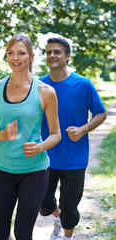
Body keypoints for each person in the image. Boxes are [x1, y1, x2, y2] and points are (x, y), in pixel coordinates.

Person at [0, 34, 61, 240]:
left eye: (21, 53)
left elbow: (56, 134)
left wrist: (40, 147)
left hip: (34, 171)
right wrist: (2, 135)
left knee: (23, 233)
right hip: (3, 169)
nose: (15, 57)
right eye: (10, 53)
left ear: (31, 57)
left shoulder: (45, 91)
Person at [39, 37, 107, 240]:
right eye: (49, 52)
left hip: (74, 158)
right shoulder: (39, 84)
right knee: (42, 203)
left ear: (68, 56)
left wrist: (83, 129)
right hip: (45, 156)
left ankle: (66, 237)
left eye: (57, 52)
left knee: (70, 206)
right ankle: (57, 220)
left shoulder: (83, 84)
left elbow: (100, 113)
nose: (52, 55)